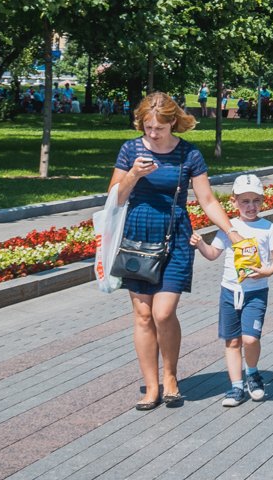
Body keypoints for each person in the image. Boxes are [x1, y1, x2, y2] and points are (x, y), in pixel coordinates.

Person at [110, 92, 238, 411]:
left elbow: (207, 200)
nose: (153, 133)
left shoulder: (188, 154)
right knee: (142, 315)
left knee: (163, 312)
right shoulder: (130, 150)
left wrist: (231, 231)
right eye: (148, 127)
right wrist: (133, 175)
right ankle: (151, 387)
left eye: (159, 128)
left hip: (175, 234)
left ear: (173, 123)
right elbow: (115, 197)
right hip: (137, 235)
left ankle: (170, 376)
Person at [191, 173, 273, 407]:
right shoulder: (228, 227)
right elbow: (213, 254)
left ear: (263, 201)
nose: (251, 206)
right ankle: (236, 387)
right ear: (233, 202)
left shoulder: (268, 228)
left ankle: (252, 374)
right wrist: (200, 244)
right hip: (229, 292)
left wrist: (267, 271)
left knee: (250, 339)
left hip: (256, 292)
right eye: (245, 201)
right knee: (232, 341)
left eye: (255, 201)